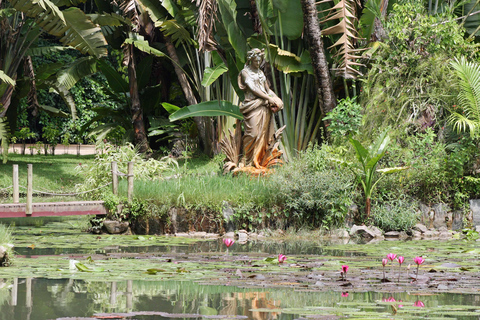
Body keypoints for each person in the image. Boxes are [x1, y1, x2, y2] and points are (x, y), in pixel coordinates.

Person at [238, 48, 283, 168]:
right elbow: (253, 88)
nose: (258, 63)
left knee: (262, 134)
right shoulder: (245, 72)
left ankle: (258, 160)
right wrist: (268, 98)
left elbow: (267, 90)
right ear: (251, 60)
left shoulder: (260, 73)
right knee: (252, 133)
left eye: (259, 61)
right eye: (256, 61)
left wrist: (276, 98)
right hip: (252, 106)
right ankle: (245, 159)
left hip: (264, 107)